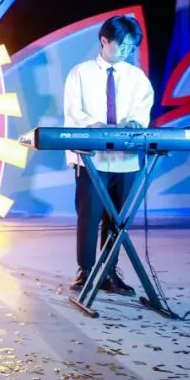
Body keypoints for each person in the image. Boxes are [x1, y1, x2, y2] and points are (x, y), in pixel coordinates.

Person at [62, 15, 154, 295]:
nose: (126, 50)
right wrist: (96, 126)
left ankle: (109, 272)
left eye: (131, 47)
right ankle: (85, 271)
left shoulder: (136, 77)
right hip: (92, 158)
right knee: (89, 215)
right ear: (105, 40)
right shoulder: (81, 72)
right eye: (122, 44)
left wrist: (134, 122)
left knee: (118, 220)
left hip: (125, 159)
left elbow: (142, 109)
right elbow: (73, 111)